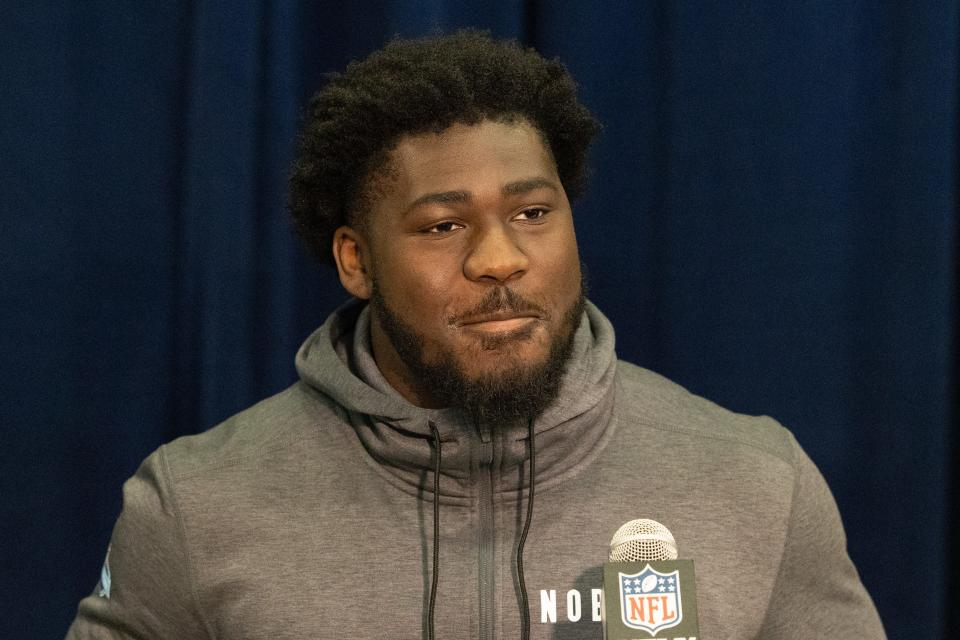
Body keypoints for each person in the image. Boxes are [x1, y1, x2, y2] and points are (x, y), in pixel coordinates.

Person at [67, 30, 885, 639]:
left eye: (533, 214)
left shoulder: (757, 485)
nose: (500, 260)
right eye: (442, 225)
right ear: (355, 259)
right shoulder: (195, 509)